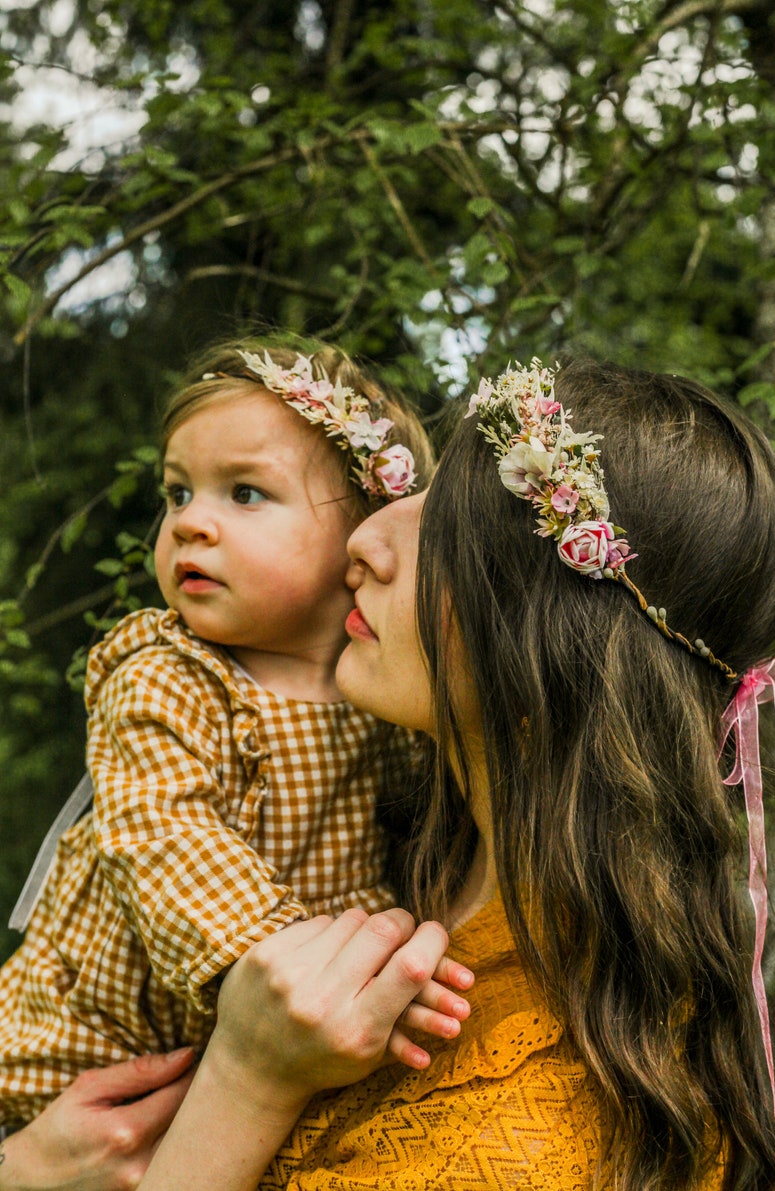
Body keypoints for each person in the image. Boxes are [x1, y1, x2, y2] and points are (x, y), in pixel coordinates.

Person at [1, 356, 775, 1190]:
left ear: (547, 646)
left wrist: (246, 1078)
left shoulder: (529, 1135)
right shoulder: (405, 848)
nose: (365, 537)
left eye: (445, 526)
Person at [0, 337, 471, 1131]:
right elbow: (167, 839)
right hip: (75, 1066)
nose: (192, 524)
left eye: (244, 493)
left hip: (250, 1070)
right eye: (178, 493)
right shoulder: (165, 674)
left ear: (362, 530)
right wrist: (288, 968)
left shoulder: (389, 695)